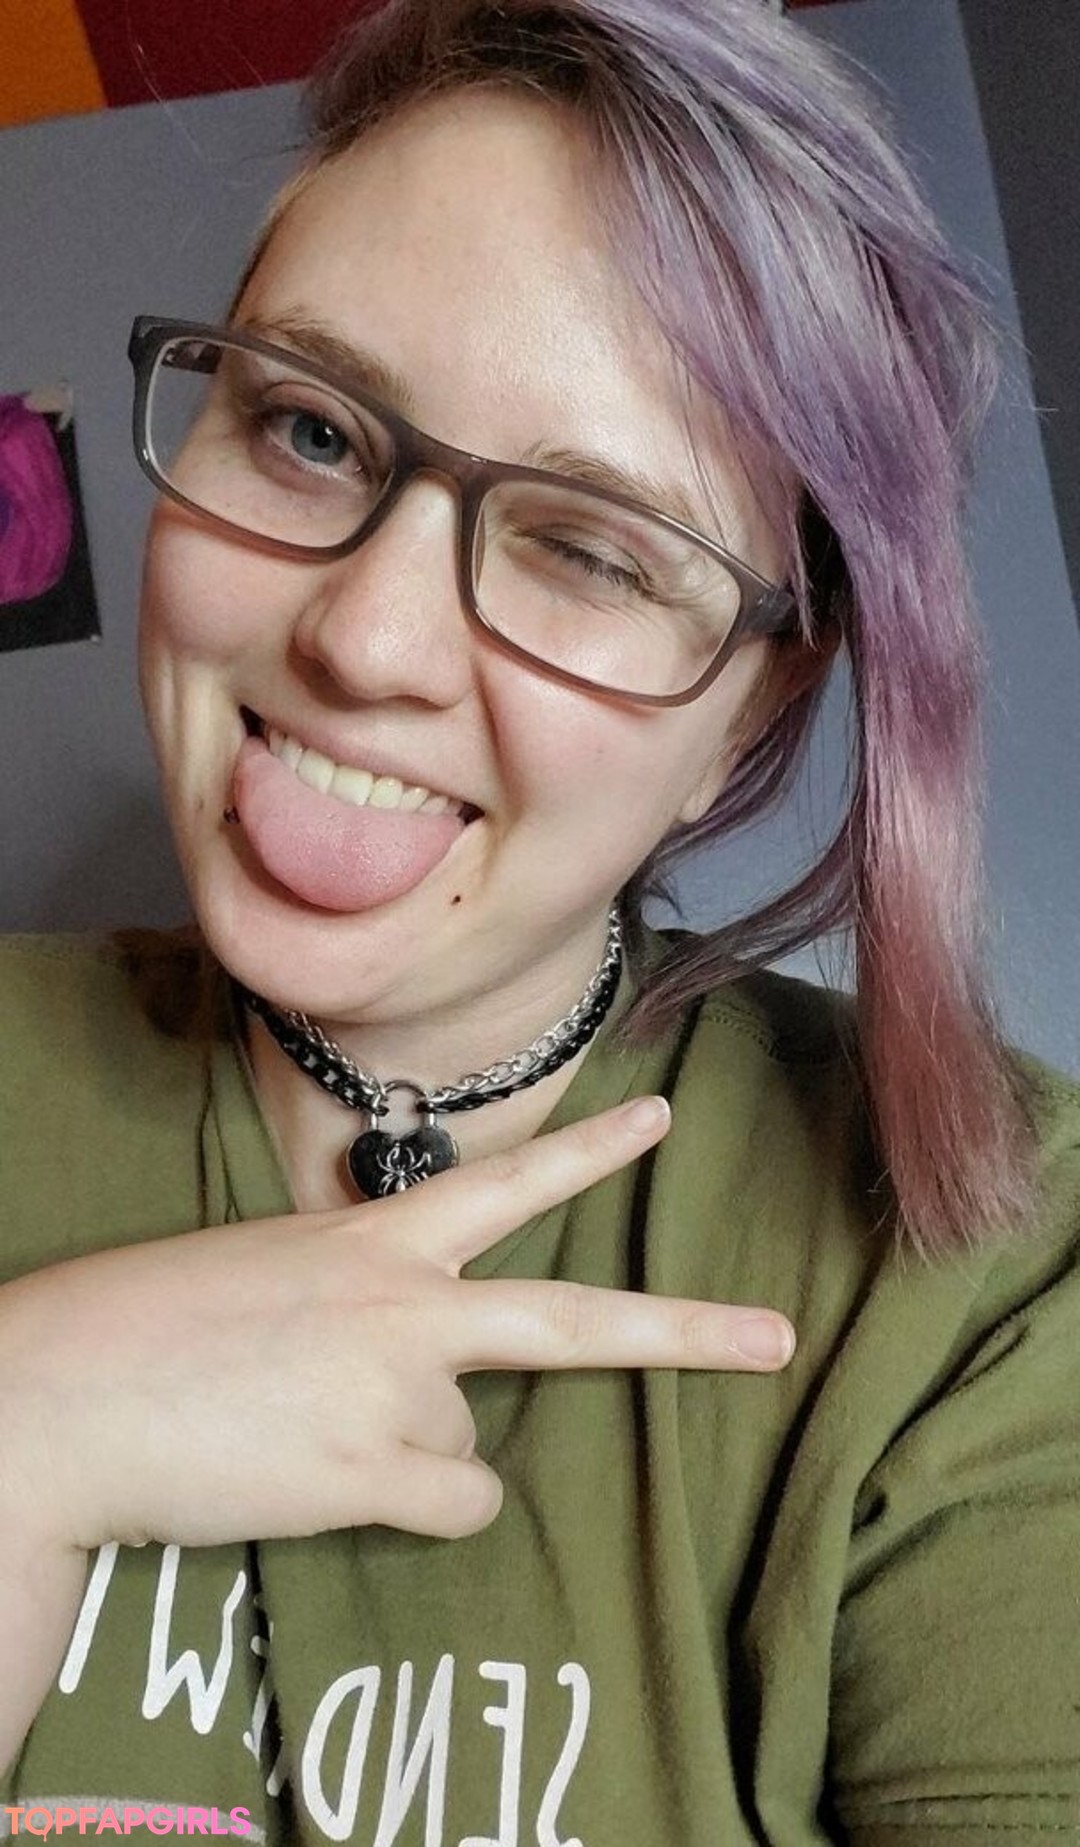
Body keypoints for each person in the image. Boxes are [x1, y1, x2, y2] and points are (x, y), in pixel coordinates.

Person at [1, 0, 1078, 1839]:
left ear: (760, 697)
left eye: (586, 547)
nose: (366, 640)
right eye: (312, 430)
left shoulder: (987, 1271)